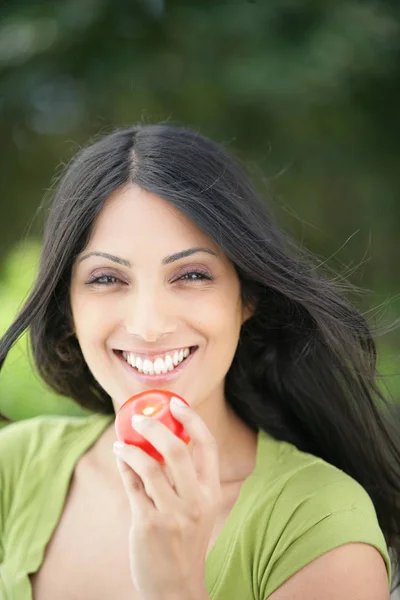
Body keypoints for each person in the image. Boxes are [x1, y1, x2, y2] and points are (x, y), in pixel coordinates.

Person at [0, 124, 399, 600]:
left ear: (247, 295)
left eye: (191, 274)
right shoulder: (13, 468)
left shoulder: (319, 524)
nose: (149, 326)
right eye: (107, 279)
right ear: (68, 308)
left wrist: (177, 586)